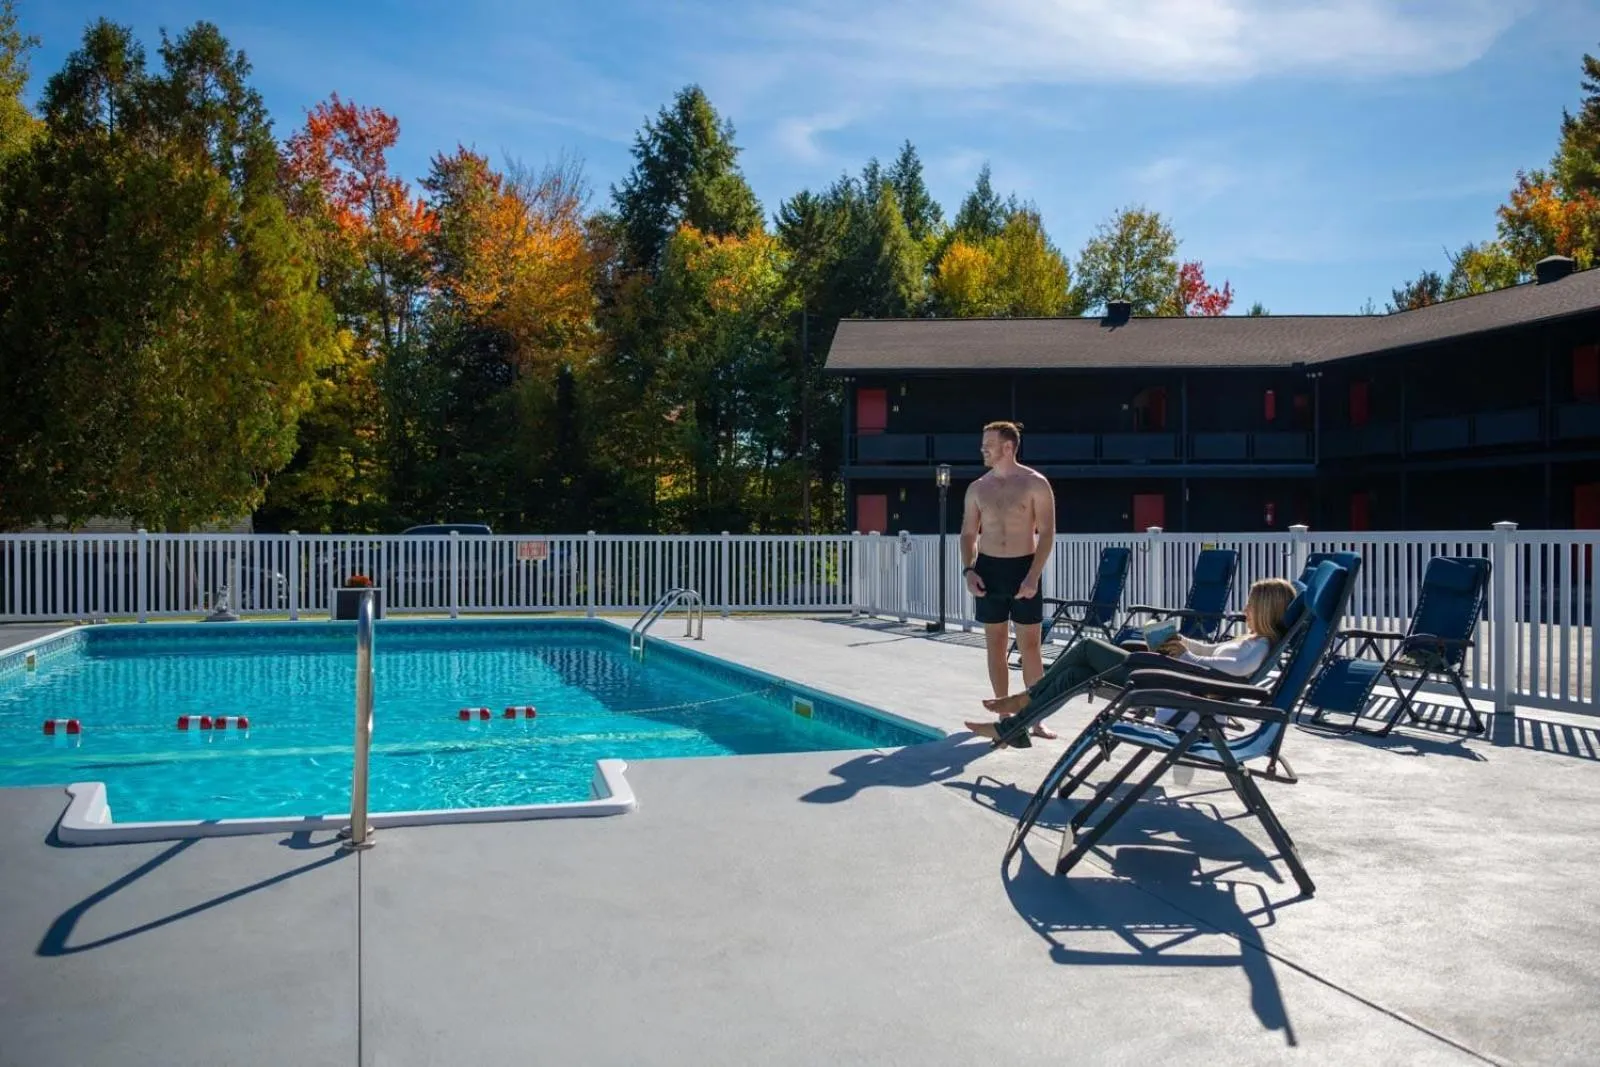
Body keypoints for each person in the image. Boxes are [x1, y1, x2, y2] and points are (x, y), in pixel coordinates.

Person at [965, 577, 1298, 748]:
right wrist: (1183, 644)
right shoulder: (1250, 642)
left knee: (1087, 648)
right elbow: (1211, 656)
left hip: (1166, 683)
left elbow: (1222, 673)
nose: (1245, 607)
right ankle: (1012, 729)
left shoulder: (1258, 648)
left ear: (1266, 608)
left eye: (1251, 603)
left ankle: (1024, 699)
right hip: (1169, 677)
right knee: (1076, 675)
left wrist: (1185, 656)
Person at [961, 421, 1057, 738]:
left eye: (988, 443)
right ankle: (1004, 713)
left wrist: (1033, 576)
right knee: (996, 643)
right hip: (988, 570)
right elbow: (968, 533)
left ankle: (1036, 715)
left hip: (1023, 569)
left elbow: (1046, 534)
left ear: (1007, 446)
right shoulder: (977, 488)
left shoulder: (1035, 484)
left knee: (1030, 645)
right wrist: (969, 569)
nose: (982, 449)